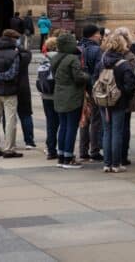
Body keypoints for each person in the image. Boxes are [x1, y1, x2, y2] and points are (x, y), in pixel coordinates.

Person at [97, 33, 135, 172]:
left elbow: (95, 79)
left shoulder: (102, 62)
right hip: (119, 102)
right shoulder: (123, 64)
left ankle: (106, 163)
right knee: (117, 132)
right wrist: (125, 94)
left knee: (107, 131)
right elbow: (130, 84)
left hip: (103, 101)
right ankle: (116, 164)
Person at [52, 32, 90, 168]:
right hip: (72, 97)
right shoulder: (72, 59)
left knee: (63, 126)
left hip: (59, 96)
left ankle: (61, 156)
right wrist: (87, 75)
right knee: (71, 127)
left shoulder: (55, 57)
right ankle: (68, 158)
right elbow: (78, 77)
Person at [0, 30, 24, 158]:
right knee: (10, 120)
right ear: (13, 39)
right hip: (9, 91)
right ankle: (9, 149)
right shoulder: (14, 54)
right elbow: (11, 75)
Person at [111, 27, 135, 166]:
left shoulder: (107, 54)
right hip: (124, 96)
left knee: (110, 127)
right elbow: (132, 76)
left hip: (108, 95)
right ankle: (122, 156)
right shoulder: (129, 55)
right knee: (124, 127)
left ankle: (110, 157)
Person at [2, 36, 35, 149]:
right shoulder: (24, 56)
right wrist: (19, 46)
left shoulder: (4, 56)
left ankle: (9, 140)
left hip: (8, 87)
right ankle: (29, 142)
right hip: (23, 88)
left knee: (8, 116)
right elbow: (27, 52)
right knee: (26, 115)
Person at [79, 25, 104, 162]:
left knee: (84, 119)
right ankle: (94, 150)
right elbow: (99, 69)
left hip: (80, 88)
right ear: (94, 35)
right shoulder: (96, 49)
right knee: (95, 120)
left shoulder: (78, 47)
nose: (100, 36)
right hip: (93, 88)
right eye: (99, 34)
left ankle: (83, 150)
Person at [37, 37, 60, 159]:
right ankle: (61, 149)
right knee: (61, 123)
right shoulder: (60, 57)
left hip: (46, 95)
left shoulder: (43, 59)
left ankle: (51, 149)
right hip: (58, 94)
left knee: (50, 123)